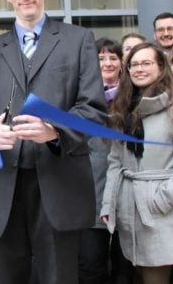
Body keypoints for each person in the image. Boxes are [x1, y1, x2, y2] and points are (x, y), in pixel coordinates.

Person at [0, 0, 107, 284]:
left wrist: (54, 132)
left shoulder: (78, 41)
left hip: (59, 183)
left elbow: (93, 109)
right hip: (2, 189)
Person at [100, 42, 173, 284]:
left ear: (160, 67)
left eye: (146, 63)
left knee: (156, 278)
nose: (139, 69)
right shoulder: (123, 107)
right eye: (134, 64)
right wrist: (109, 203)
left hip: (159, 211)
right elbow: (115, 160)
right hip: (128, 208)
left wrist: (160, 200)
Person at [79, 38, 123, 284]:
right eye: (101, 58)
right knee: (91, 264)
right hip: (92, 194)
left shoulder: (133, 97)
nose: (107, 63)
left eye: (113, 58)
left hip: (126, 193)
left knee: (124, 266)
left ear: (121, 63)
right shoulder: (81, 98)